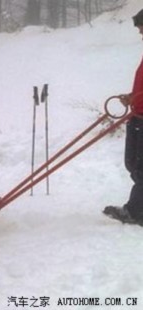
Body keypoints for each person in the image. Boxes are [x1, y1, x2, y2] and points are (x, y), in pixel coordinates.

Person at [103, 9, 143, 226]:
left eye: (141, 26)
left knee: (142, 167)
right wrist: (131, 97)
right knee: (132, 164)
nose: (139, 31)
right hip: (138, 115)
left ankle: (136, 212)